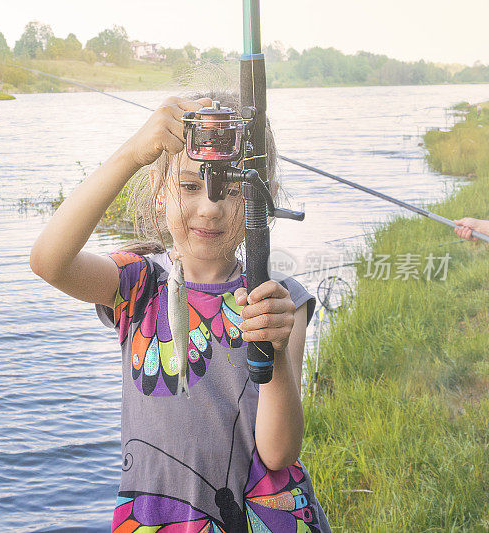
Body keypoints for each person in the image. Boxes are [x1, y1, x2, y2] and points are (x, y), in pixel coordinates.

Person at [30, 90, 330, 532]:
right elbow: (48, 262)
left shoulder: (280, 300)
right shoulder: (137, 284)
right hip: (162, 518)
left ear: (263, 200)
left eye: (231, 191)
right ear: (158, 191)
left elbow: (279, 453)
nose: (210, 208)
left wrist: (278, 352)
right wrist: (132, 154)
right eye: (190, 186)